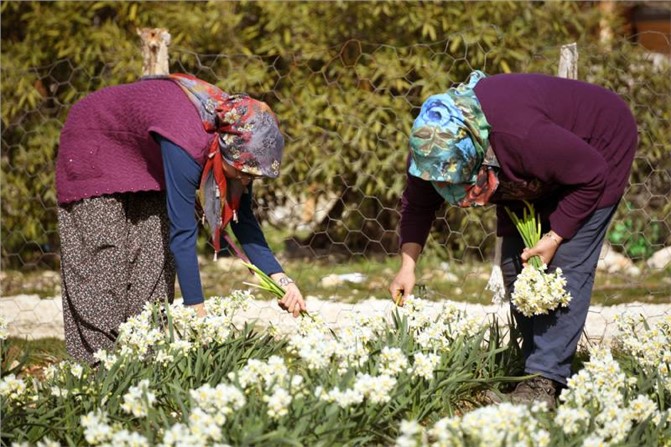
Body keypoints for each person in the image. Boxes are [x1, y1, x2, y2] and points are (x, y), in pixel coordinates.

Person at [388, 71, 637, 408]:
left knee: (563, 269)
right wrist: (408, 266)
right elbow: (418, 205)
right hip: (531, 170)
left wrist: (554, 236)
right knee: (516, 269)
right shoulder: (431, 150)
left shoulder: (522, 137)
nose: (465, 200)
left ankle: (543, 384)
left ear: (479, 156)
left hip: (598, 148)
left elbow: (592, 174)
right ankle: (534, 372)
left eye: (469, 188)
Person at [56, 73, 306, 364]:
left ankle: (142, 372)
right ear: (227, 148)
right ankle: (95, 373)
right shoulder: (189, 142)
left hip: (143, 160)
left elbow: (243, 219)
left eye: (254, 176)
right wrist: (197, 312)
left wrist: (284, 281)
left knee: (152, 264)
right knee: (103, 267)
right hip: (93, 141)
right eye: (244, 173)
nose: (247, 181)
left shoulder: (236, 141)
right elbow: (183, 234)